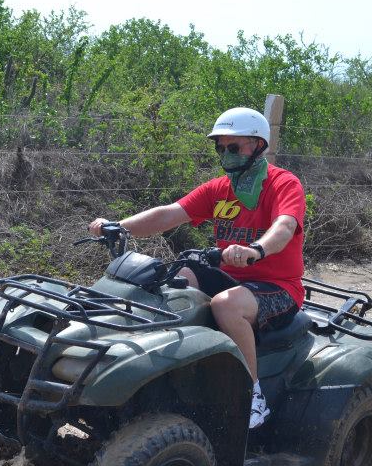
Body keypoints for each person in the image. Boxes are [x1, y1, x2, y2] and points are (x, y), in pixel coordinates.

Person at [88, 107, 306, 429]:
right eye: (221, 147)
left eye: (235, 147)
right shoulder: (220, 188)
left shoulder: (282, 184)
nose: (226, 154)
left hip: (276, 286)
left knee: (226, 305)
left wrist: (255, 250)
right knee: (174, 280)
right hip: (231, 277)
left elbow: (285, 226)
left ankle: (252, 397)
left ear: (258, 146)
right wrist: (119, 226)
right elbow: (169, 214)